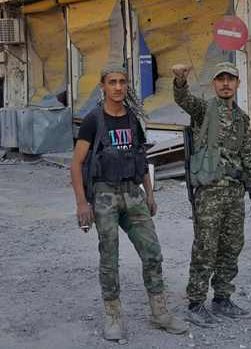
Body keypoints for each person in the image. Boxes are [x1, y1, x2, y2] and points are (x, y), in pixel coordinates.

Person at [69, 65, 188, 342]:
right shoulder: (93, 121)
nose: (119, 87)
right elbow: (76, 164)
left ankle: (160, 313)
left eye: (122, 82)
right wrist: (81, 203)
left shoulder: (133, 119)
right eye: (113, 82)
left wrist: (150, 193)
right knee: (109, 257)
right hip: (104, 194)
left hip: (132, 193)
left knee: (152, 253)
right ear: (103, 86)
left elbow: (141, 159)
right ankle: (113, 316)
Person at [172, 61, 251, 326]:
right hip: (209, 193)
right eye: (221, 79)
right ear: (214, 83)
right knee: (205, 248)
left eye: (230, 79)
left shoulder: (242, 119)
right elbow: (184, 99)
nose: (225, 83)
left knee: (231, 247)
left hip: (234, 192)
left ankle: (222, 299)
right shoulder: (204, 109)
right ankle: (196, 303)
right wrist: (180, 80)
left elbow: (247, 156)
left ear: (237, 84)